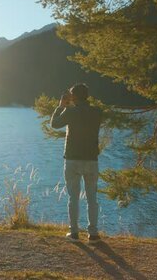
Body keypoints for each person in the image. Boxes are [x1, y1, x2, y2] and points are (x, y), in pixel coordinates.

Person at [50, 83, 103, 243]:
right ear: (87, 95)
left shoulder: (70, 112)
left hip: (73, 159)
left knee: (73, 197)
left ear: (74, 97)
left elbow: (54, 124)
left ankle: (74, 233)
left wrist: (61, 106)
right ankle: (93, 234)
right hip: (91, 159)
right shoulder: (97, 112)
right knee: (92, 198)